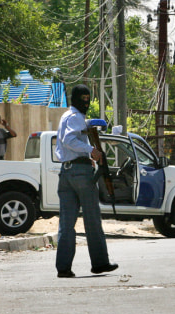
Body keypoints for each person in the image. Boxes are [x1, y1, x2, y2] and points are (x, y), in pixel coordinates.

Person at [54, 84, 118, 278]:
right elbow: (69, 140)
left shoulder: (66, 116)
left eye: (88, 98)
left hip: (66, 173)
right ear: (75, 99)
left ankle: (63, 268)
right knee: (92, 219)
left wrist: (86, 154)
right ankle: (100, 263)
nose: (86, 102)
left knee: (66, 223)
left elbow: (68, 145)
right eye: (83, 98)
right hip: (80, 173)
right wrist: (91, 151)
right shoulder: (76, 117)